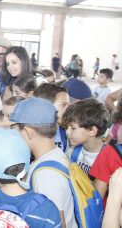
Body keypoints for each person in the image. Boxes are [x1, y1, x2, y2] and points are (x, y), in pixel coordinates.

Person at [9, 98, 77, 228]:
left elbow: (57, 223)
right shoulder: (56, 154)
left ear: (28, 132)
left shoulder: (46, 175)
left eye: (16, 129)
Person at [63, 99, 108, 176]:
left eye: (73, 128)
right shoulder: (72, 151)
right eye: (67, 127)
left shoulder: (108, 158)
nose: (67, 131)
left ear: (92, 131)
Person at [34, 83, 70, 152]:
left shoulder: (67, 129)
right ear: (45, 106)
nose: (68, 109)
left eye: (68, 105)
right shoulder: (31, 133)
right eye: (63, 105)